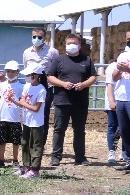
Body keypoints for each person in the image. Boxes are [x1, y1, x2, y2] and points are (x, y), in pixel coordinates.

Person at [46, 33, 97, 166]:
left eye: (74, 43)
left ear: (79, 45)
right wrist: (63, 84)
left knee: (79, 130)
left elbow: (93, 76)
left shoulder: (86, 59)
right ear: (65, 45)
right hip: (62, 101)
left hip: (80, 102)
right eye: (69, 43)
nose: (71, 46)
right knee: (59, 129)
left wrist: (83, 84)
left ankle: (80, 157)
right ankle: (56, 156)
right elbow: (50, 77)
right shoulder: (59, 59)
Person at [8, 62, 47, 179]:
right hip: (26, 121)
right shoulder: (26, 86)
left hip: (36, 122)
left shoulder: (41, 90)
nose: (26, 77)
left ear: (36, 76)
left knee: (36, 145)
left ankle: (35, 170)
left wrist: (23, 103)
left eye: (29, 75)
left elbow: (36, 108)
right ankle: (26, 166)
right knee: (25, 143)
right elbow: (22, 103)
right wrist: (12, 99)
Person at [22, 27, 59, 147]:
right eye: (34, 37)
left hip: (46, 87)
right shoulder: (26, 52)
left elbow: (56, 70)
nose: (36, 39)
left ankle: (40, 145)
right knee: (28, 112)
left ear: (44, 38)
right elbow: (25, 68)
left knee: (43, 115)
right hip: (30, 87)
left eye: (39, 37)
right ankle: (29, 142)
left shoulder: (52, 52)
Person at [0, 60, 23, 168]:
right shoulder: (2, 85)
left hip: (14, 117)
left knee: (15, 140)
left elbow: (21, 101)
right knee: (1, 140)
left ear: (17, 72)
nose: (10, 74)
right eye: (8, 71)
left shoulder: (20, 86)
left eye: (13, 71)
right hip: (2, 116)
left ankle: (15, 160)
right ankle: (1, 160)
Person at [110, 43, 130, 173]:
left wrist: (128, 69)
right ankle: (129, 160)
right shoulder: (123, 55)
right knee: (125, 131)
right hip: (122, 98)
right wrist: (119, 69)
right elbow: (115, 77)